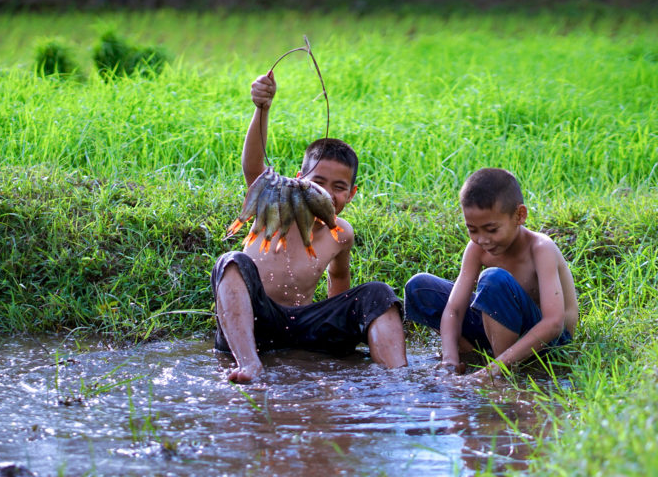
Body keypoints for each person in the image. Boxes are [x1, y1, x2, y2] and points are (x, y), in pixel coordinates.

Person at [212, 71, 408, 383]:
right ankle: (248, 363)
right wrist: (262, 108)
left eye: (339, 186)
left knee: (378, 293)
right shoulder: (278, 205)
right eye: (317, 182)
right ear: (298, 180)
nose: (327, 193)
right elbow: (253, 166)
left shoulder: (341, 233)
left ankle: (397, 377)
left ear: (351, 194)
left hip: (303, 327)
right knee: (231, 262)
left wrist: (340, 322)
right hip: (257, 323)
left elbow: (339, 282)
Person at [404, 168, 578, 382]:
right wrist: (449, 360)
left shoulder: (541, 248)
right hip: (498, 326)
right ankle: (473, 356)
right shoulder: (476, 249)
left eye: (491, 229)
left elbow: (554, 323)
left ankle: (500, 371)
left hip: (547, 342)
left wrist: (494, 369)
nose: (482, 239)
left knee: (493, 278)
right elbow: (454, 308)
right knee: (420, 287)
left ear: (519, 215)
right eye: (473, 229)